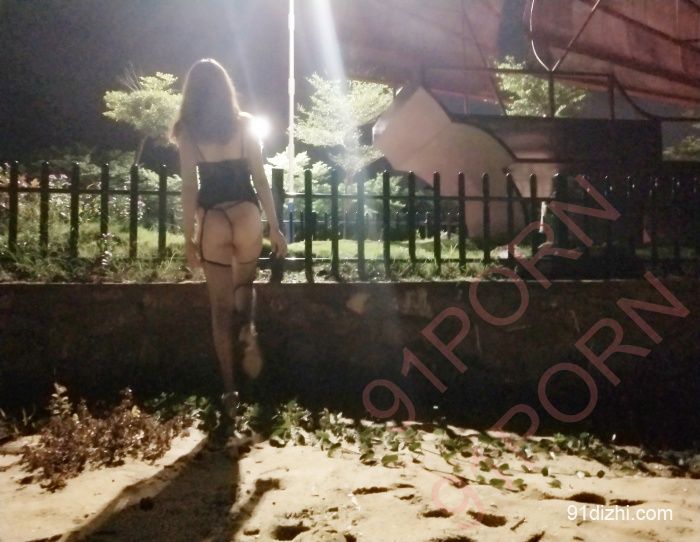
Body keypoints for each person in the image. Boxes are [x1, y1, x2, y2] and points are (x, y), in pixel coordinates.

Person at [171, 58, 287, 424]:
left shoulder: (188, 132)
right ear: (226, 89)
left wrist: (188, 237)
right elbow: (260, 177)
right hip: (246, 214)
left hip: (213, 219)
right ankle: (249, 328)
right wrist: (274, 226)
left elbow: (189, 188)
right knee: (245, 284)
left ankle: (229, 389)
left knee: (219, 309)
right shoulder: (245, 124)